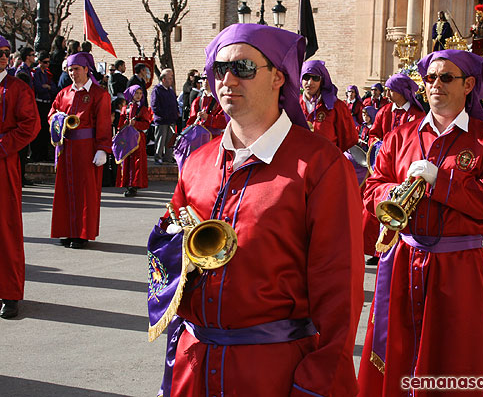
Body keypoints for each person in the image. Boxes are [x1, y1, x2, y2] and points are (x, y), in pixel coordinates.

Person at [149, 23, 364, 397]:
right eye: (219, 69)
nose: (227, 79)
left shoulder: (320, 165)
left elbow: (340, 294)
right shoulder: (197, 162)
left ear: (278, 77)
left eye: (243, 68)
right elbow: (169, 273)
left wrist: (317, 384)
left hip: (272, 374)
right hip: (193, 365)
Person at [357, 49, 483, 397]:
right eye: (430, 78)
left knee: (454, 356)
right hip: (401, 261)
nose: (435, 85)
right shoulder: (401, 135)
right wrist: (393, 192)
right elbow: (371, 188)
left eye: (446, 78)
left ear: (469, 84)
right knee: (397, 350)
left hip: (459, 267)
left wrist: (440, 182)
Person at [48, 52, 112, 250]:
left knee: (85, 191)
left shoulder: (99, 94)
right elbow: (51, 114)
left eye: (76, 69)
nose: (73, 73)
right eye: (70, 69)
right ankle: (66, 230)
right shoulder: (64, 93)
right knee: (65, 190)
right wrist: (57, 120)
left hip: (87, 149)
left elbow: (103, 123)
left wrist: (103, 148)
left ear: (86, 69)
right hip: (66, 148)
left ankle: (82, 233)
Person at [0, 35, 40, 319]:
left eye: (5, 52)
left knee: (7, 228)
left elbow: (30, 125)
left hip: (4, 164)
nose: (2, 56)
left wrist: (2, 146)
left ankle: (10, 294)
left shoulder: (17, 88)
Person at [299, 60, 358, 152]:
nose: (310, 83)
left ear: (322, 80)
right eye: (306, 77)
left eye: (315, 78)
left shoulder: (337, 106)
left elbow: (349, 139)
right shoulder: (293, 105)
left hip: (326, 162)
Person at [368, 72, 425, 144]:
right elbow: (373, 135)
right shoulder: (384, 111)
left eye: (391, 90)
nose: (387, 94)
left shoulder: (417, 114)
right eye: (386, 90)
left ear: (402, 91)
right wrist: (380, 146)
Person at [115, 85, 152, 197]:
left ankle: (134, 185)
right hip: (126, 138)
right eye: (136, 93)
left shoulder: (143, 109)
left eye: (140, 93)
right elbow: (119, 125)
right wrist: (125, 124)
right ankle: (126, 183)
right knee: (126, 160)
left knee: (137, 161)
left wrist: (136, 124)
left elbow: (146, 124)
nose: (139, 96)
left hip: (138, 138)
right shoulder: (125, 108)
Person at [32, 51, 58, 162]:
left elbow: (53, 88)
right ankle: (37, 154)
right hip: (39, 102)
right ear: (39, 62)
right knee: (39, 129)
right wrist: (45, 87)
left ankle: (44, 154)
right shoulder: (36, 72)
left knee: (45, 130)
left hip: (47, 102)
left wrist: (47, 87)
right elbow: (38, 87)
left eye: (48, 62)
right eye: (45, 62)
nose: (47, 64)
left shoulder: (47, 73)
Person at [150, 69, 180, 164]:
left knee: (170, 140)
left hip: (171, 120)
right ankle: (158, 156)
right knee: (160, 139)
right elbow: (154, 105)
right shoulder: (157, 90)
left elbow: (175, 103)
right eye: (169, 78)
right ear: (163, 79)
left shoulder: (170, 91)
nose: (171, 80)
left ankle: (168, 157)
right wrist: (162, 115)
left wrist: (176, 114)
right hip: (161, 120)